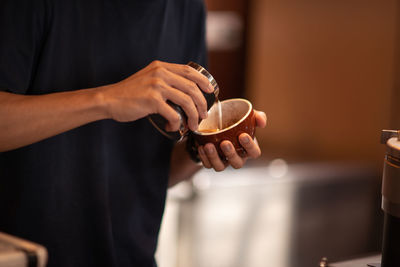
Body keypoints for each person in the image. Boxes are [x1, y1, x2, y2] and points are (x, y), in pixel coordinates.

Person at [0, 0, 267, 266]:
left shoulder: (188, 8)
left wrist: (199, 152)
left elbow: (150, 173)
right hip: (28, 256)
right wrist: (108, 99)